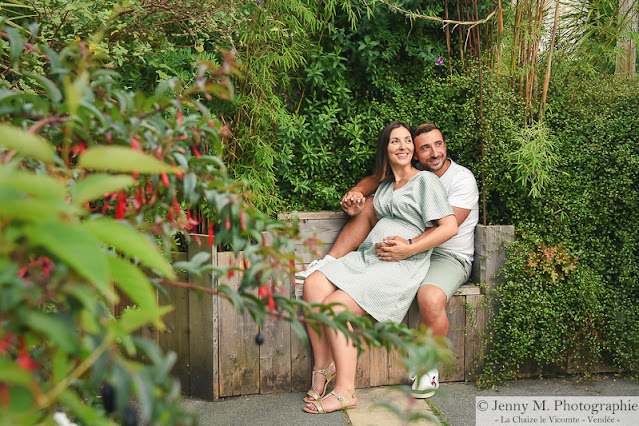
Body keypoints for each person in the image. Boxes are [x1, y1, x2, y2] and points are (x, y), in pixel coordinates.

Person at [298, 123, 479, 399]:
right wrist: (359, 193)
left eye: (437, 144)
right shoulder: (391, 183)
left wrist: (408, 248)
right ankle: (323, 369)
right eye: (422, 146)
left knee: (429, 297)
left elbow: (446, 226)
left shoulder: (447, 180)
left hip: (436, 255)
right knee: (313, 285)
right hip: (376, 256)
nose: (432, 152)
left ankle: (424, 364)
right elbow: (378, 180)